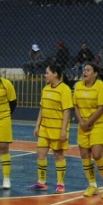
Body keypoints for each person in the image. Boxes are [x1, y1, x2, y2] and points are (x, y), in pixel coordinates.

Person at [30, 64, 73, 193]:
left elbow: (67, 111)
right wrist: (37, 125)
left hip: (57, 129)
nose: (45, 75)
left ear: (55, 74)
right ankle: (42, 182)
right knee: (40, 154)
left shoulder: (64, 89)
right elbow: (42, 108)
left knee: (58, 155)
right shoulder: (46, 89)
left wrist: (64, 130)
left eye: (47, 73)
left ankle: (60, 184)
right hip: (44, 128)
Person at [73, 61, 103, 199]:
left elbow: (102, 108)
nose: (85, 72)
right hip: (83, 124)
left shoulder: (101, 87)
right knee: (84, 155)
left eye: (88, 70)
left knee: (96, 154)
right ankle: (93, 185)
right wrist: (81, 122)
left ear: (95, 74)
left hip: (98, 124)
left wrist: (88, 122)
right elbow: (75, 106)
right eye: (84, 69)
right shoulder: (78, 86)